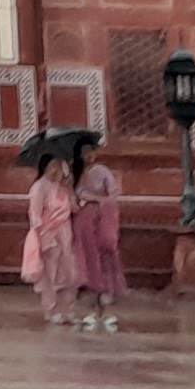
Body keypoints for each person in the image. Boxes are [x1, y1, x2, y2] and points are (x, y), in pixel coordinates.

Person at [68, 139, 126, 329]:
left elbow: (114, 194)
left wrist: (97, 200)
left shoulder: (101, 171)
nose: (89, 156)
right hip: (84, 223)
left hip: (101, 220)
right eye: (85, 153)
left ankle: (107, 310)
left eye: (91, 152)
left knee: (105, 262)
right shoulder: (76, 174)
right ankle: (92, 310)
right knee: (89, 264)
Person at [22, 145, 80, 325]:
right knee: (50, 274)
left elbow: (75, 208)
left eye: (59, 165)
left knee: (69, 274)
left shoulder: (62, 187)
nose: (56, 169)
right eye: (53, 165)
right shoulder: (39, 187)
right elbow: (35, 214)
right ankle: (51, 310)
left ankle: (68, 310)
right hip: (49, 234)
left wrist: (70, 189)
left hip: (65, 234)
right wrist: (41, 236)